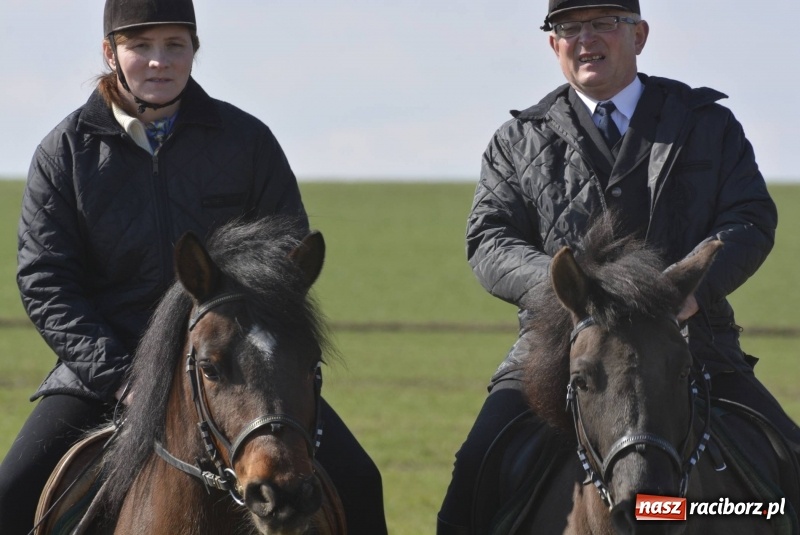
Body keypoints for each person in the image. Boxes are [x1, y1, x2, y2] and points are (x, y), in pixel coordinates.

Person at [0, 1, 387, 534]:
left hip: (235, 365)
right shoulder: (63, 153)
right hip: (105, 371)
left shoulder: (248, 141)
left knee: (360, 481)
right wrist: (121, 378)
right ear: (110, 53)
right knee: (10, 496)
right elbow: (46, 281)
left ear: (194, 50)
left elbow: (284, 257)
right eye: (141, 46)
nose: (159, 61)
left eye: (174, 45)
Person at [437, 1, 799, 533]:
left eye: (604, 22)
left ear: (640, 35)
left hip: (695, 345)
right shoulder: (516, 141)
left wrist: (690, 291)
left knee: (791, 465)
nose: (586, 39)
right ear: (553, 44)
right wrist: (575, 294)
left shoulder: (707, 124)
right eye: (569, 27)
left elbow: (750, 217)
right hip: (558, 353)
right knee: (473, 475)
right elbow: (489, 239)